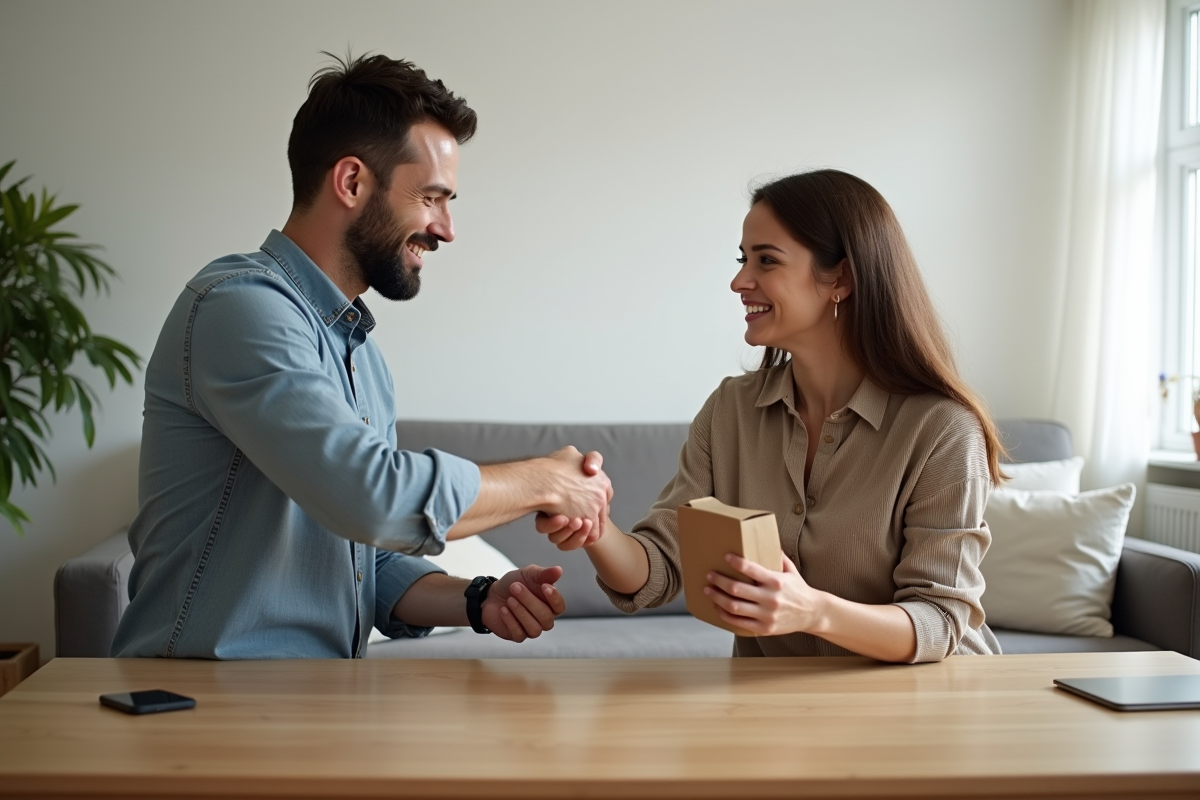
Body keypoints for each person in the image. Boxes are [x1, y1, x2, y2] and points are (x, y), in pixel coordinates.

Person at [111, 53, 612, 659]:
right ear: (351, 182)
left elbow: (362, 560)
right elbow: (373, 498)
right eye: (432, 197)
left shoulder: (362, 357)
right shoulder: (237, 309)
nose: (447, 228)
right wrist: (543, 482)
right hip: (198, 700)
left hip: (311, 701)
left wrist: (480, 599)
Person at [539, 169, 1004, 662]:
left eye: (767, 260)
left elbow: (941, 620)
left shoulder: (942, 429)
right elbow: (659, 568)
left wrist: (814, 612)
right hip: (782, 706)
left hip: (929, 708)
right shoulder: (731, 411)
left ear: (840, 279)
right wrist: (595, 526)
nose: (740, 281)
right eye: (744, 259)